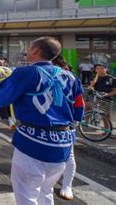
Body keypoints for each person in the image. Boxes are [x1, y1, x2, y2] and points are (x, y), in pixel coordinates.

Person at [0, 37, 85, 205]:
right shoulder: (71, 76)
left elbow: (0, 98)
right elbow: (79, 110)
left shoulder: (26, 72)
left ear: (35, 51)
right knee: (45, 191)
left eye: (29, 48)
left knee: (27, 195)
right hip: (62, 144)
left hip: (33, 143)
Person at [51, 54, 84, 201]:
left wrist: (76, 120)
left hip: (65, 124)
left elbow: (79, 102)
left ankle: (67, 185)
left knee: (68, 156)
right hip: (46, 123)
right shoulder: (38, 75)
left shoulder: (71, 77)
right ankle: (50, 182)